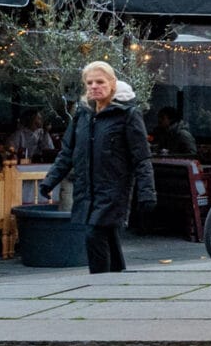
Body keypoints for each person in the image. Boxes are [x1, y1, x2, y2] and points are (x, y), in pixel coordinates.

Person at [40, 61, 156, 276]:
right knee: (106, 233)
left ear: (112, 84)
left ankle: (98, 284)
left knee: (94, 233)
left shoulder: (127, 115)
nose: (94, 86)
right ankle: (117, 278)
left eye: (100, 82)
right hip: (87, 188)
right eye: (90, 82)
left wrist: (147, 192)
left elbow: (141, 158)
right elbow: (67, 152)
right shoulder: (82, 115)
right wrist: (50, 181)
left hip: (113, 189)